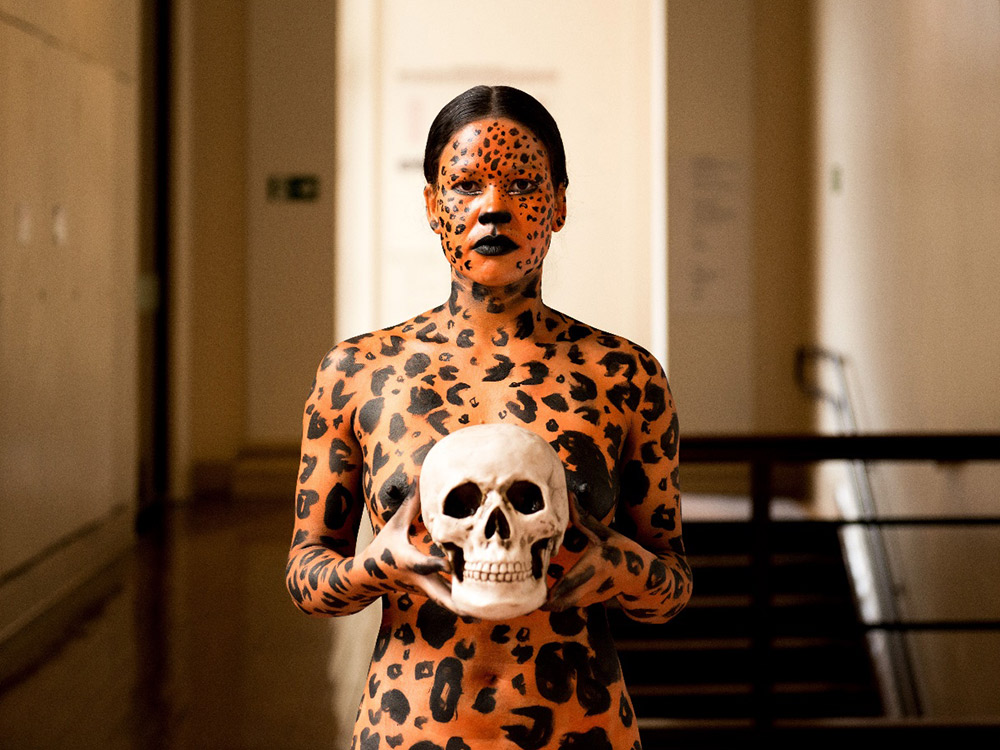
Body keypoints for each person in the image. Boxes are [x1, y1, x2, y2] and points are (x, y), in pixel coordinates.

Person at [286, 85, 691, 750]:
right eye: (466, 184)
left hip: (581, 728)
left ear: (559, 204)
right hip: (409, 727)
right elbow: (307, 576)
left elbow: (672, 586)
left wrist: (618, 564)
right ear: (430, 204)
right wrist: (377, 564)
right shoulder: (359, 374)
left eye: (524, 183)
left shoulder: (623, 375)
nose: (494, 207)